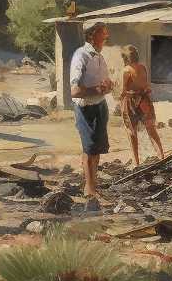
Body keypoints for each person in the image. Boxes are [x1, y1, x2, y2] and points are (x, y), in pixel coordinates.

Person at [70, 22, 113, 202]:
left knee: (96, 150)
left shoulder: (100, 57)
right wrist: (97, 89)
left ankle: (92, 186)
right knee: (89, 149)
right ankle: (89, 189)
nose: (106, 36)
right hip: (86, 108)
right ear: (91, 36)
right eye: (102, 33)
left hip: (100, 106)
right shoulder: (81, 55)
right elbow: (75, 90)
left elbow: (102, 83)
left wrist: (108, 86)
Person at [118, 44, 165, 168]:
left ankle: (136, 162)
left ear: (125, 58)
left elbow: (123, 91)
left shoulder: (126, 70)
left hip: (130, 102)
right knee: (151, 130)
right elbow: (146, 86)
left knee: (132, 133)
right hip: (144, 100)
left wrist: (118, 97)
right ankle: (161, 155)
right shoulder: (143, 68)